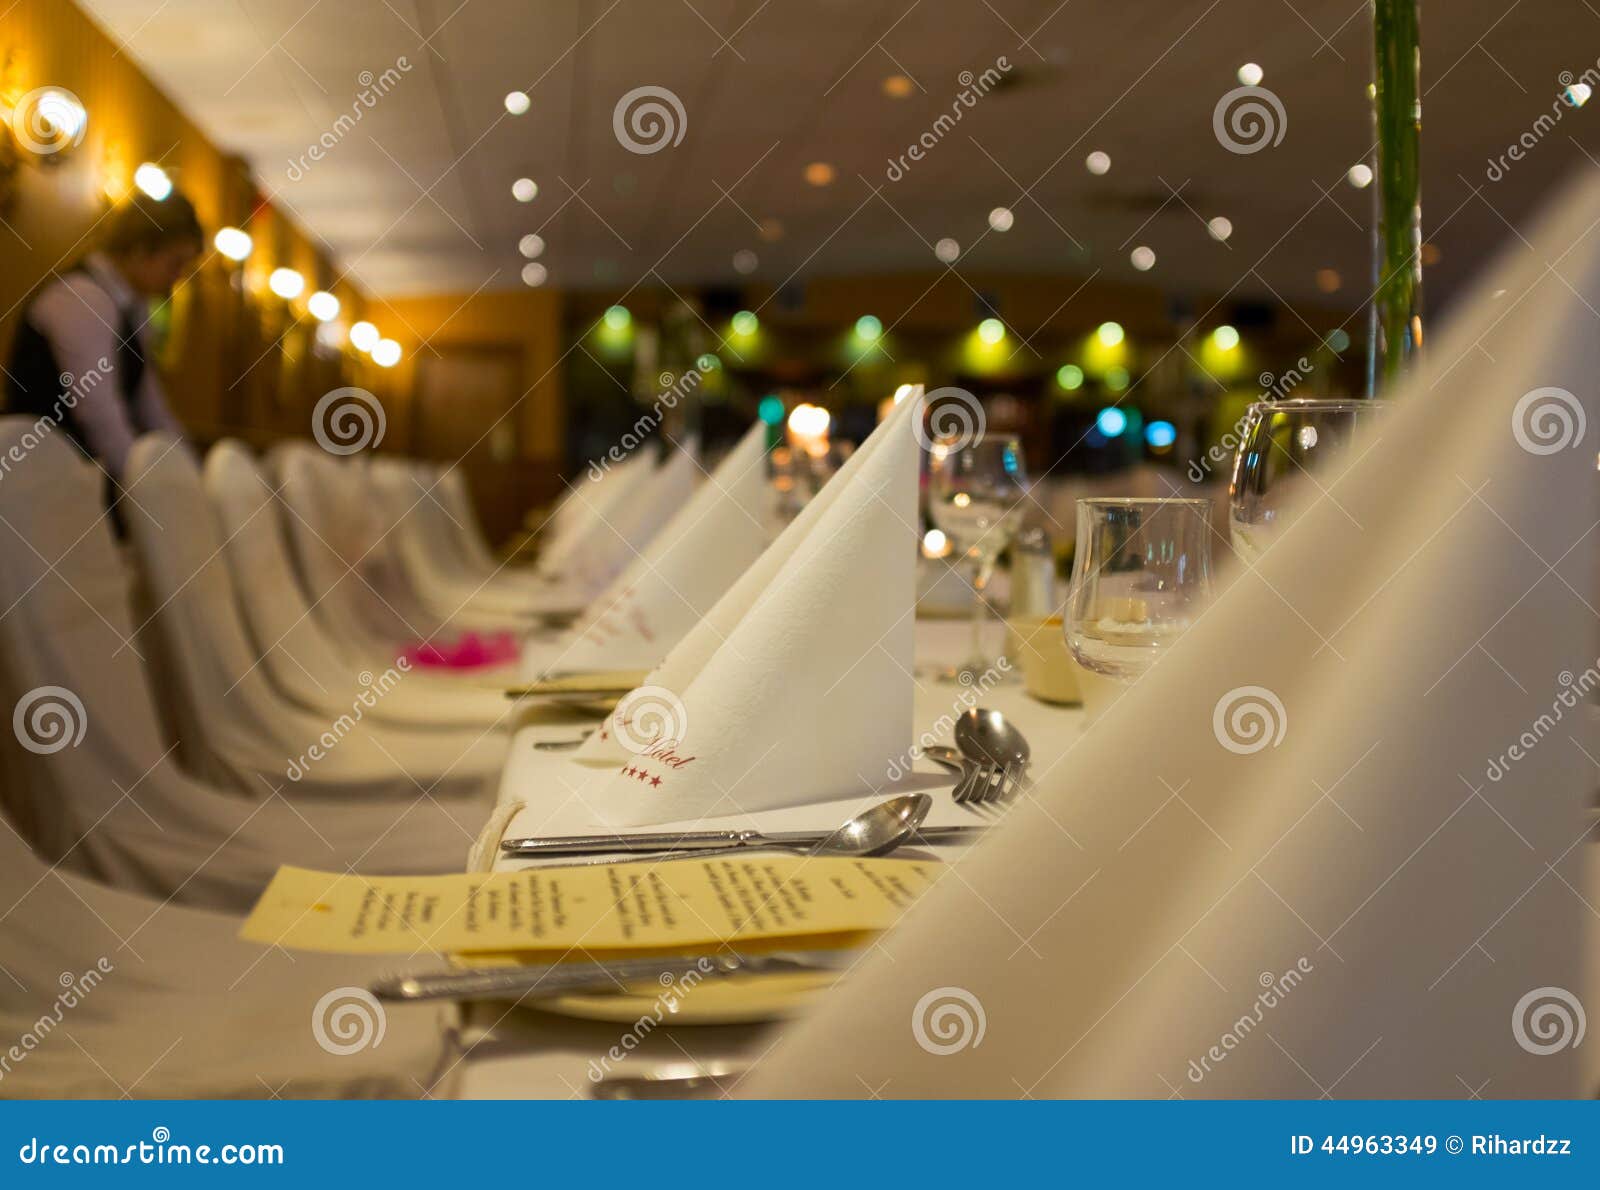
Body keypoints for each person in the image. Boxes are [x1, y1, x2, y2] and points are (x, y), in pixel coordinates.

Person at [5, 189, 202, 488]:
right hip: (37, 483)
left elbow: (152, 408)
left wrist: (194, 477)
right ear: (140, 250)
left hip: (79, 480)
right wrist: (151, 493)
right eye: (175, 264)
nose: (177, 277)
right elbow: (100, 416)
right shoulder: (83, 298)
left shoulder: (133, 308)